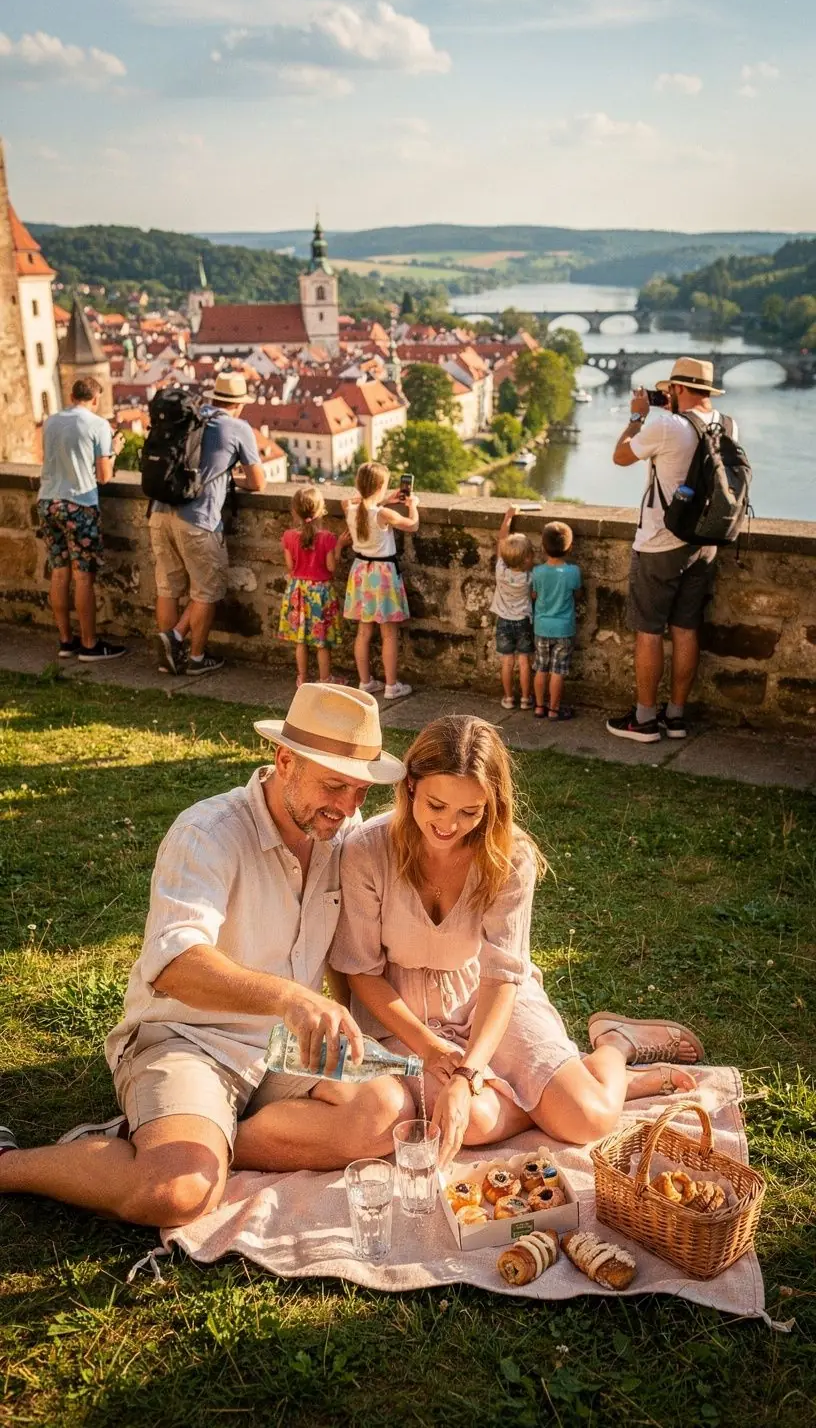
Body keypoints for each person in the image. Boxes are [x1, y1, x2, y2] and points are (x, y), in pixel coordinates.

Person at [0, 685, 413, 1227]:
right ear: (284, 760)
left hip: (278, 1045)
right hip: (188, 1037)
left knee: (388, 1113)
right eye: (334, 785)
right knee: (175, 1193)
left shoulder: (343, 836)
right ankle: (12, 1163)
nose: (346, 807)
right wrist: (289, 998)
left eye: (360, 792)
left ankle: (186, 1135)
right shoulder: (208, 833)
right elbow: (174, 963)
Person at [329, 714, 701, 1167]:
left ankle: (613, 1048)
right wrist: (432, 1049)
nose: (449, 825)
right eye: (436, 805)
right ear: (410, 788)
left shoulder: (509, 856)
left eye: (470, 811)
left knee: (589, 1118)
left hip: (483, 994)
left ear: (493, 804)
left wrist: (467, 1073)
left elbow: (502, 977)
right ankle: (556, 1091)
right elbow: (361, 973)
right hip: (401, 1009)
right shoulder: (367, 850)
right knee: (475, 1124)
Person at [607, 357, 737, 743]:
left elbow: (621, 456)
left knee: (648, 630)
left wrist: (637, 416)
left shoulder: (664, 424)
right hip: (705, 541)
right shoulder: (726, 423)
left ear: (678, 389)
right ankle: (676, 716)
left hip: (661, 542)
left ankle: (644, 720)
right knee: (686, 629)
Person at [152, 371, 266, 679]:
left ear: (213, 397)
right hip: (199, 518)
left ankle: (169, 660)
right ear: (239, 404)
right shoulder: (237, 426)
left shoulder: (186, 417)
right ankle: (194, 656)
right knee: (206, 591)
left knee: (168, 588)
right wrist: (230, 477)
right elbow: (258, 482)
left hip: (160, 510)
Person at [38, 376, 127, 661]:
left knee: (59, 571)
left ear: (72, 395)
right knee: (83, 576)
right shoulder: (98, 425)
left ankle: (66, 641)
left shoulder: (50, 421)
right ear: (96, 399)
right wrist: (114, 451)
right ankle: (89, 644)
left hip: (48, 501)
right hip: (78, 504)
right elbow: (104, 475)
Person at [343, 461, 419, 701]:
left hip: (361, 572)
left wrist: (383, 498)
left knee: (363, 632)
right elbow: (412, 525)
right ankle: (391, 685)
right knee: (388, 634)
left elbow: (360, 503)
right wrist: (412, 505)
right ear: (379, 486)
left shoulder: (349, 508)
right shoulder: (383, 514)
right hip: (383, 574)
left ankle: (365, 682)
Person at [279, 485, 343, 687]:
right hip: (320, 593)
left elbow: (290, 566)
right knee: (321, 641)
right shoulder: (327, 538)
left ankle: (303, 678)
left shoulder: (289, 536)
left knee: (301, 640)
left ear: (294, 511)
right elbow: (331, 567)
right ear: (321, 510)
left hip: (297, 591)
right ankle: (325, 679)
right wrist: (340, 546)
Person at [531, 520, 582, 721]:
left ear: (543, 547)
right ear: (570, 547)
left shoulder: (537, 572)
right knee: (558, 671)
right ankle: (554, 709)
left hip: (542, 627)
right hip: (563, 629)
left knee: (541, 668)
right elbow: (578, 595)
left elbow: (534, 595)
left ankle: (539, 707)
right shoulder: (573, 572)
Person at [491, 504, 534, 710]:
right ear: (528, 559)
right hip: (523, 621)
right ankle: (526, 699)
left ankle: (508, 698)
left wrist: (508, 517)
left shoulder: (500, 571)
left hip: (503, 622)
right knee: (525, 662)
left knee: (507, 662)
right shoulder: (529, 578)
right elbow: (534, 596)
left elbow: (501, 540)